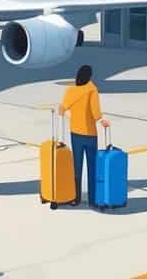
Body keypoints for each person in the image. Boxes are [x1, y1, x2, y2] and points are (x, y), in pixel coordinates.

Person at [58, 64, 110, 207]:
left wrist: (72, 117)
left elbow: (62, 109)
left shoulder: (71, 91)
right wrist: (101, 121)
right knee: (92, 167)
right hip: (90, 134)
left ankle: (76, 198)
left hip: (75, 133)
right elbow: (95, 112)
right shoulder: (92, 90)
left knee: (77, 166)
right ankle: (93, 200)